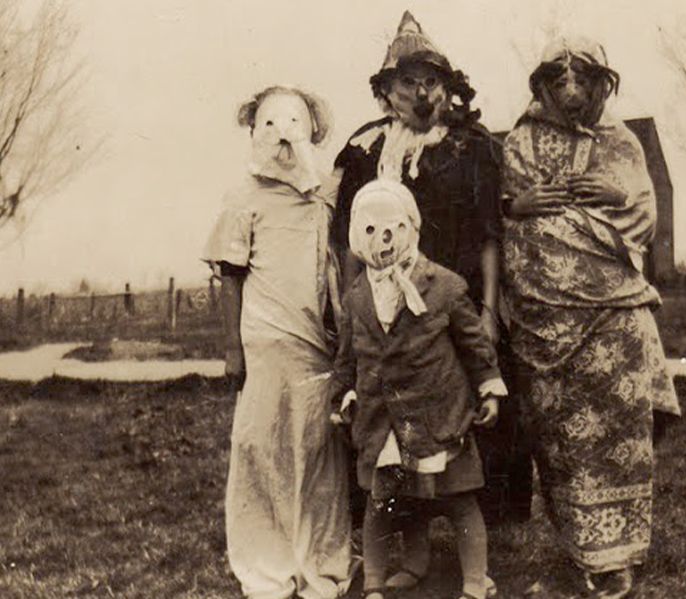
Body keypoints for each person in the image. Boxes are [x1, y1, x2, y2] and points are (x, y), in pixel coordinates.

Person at [331, 8, 532, 584]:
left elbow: (492, 234)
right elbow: (350, 236)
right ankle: (411, 554)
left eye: (431, 82)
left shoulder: (472, 148)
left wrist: (491, 310)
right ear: (386, 92)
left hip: (453, 303)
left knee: (462, 429)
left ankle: (478, 562)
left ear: (449, 89)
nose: (420, 94)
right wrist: (354, 308)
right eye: (407, 83)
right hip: (386, 312)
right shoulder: (365, 152)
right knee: (392, 425)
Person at [501, 37, 680, 598]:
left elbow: (642, 214)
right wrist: (518, 207)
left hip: (611, 311)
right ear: (545, 86)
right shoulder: (522, 140)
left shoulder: (622, 141)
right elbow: (501, 212)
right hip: (542, 316)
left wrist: (612, 193)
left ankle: (617, 557)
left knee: (620, 433)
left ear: (603, 83)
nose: (573, 95)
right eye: (561, 83)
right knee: (561, 439)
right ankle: (582, 547)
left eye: (584, 83)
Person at [202, 85, 353, 599]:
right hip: (264, 340)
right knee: (261, 446)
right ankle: (267, 564)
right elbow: (231, 273)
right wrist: (232, 348)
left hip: (315, 339)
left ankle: (320, 564)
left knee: (315, 449)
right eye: (269, 125)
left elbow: (337, 261)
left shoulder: (325, 195)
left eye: (292, 124)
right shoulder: (242, 196)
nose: (282, 138)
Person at [330, 179, 505, 599]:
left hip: (439, 414)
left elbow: (474, 344)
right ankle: (383, 578)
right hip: (384, 419)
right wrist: (343, 395)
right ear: (356, 236)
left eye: (392, 228)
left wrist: (489, 389)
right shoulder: (357, 298)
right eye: (369, 231)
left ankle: (474, 580)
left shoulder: (443, 286)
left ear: (412, 228)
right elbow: (348, 356)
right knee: (388, 502)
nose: (382, 240)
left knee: (459, 499)